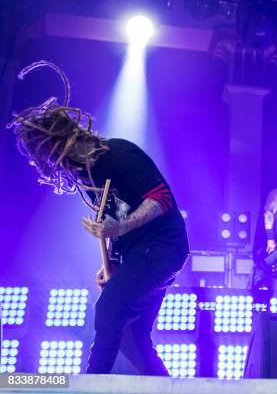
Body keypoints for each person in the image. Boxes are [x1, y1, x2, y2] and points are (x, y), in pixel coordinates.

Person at [7, 61, 189, 374]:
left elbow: (161, 200)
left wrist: (120, 226)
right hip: (138, 254)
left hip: (162, 247)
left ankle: (93, 384)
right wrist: (113, 264)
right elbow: (116, 222)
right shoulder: (85, 175)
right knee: (134, 338)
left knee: (110, 306)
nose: (51, 162)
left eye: (49, 152)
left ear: (64, 139)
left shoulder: (118, 154)